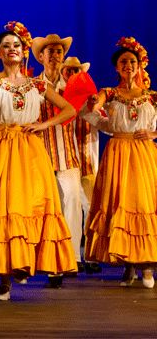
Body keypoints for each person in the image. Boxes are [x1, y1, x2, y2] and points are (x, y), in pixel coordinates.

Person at [0, 21, 78, 301]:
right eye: (5, 46)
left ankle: (24, 263)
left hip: (29, 149)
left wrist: (45, 126)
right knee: (0, 207)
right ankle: (4, 279)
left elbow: (69, 109)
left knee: (28, 206)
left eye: (16, 45)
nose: (11, 49)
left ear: (24, 53)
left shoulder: (37, 84)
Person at [82, 36, 157, 289]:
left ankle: (147, 264)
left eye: (132, 61)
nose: (128, 65)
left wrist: (154, 134)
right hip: (118, 152)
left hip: (144, 153)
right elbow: (95, 109)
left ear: (139, 66)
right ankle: (129, 265)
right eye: (123, 61)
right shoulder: (110, 93)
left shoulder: (151, 96)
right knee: (120, 203)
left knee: (143, 204)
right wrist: (95, 102)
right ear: (117, 67)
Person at [31, 33, 84, 286]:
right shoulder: (31, 84)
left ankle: (70, 258)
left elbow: (89, 116)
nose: (55, 56)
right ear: (40, 56)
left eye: (59, 52)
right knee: (39, 207)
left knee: (72, 201)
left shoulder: (73, 86)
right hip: (39, 155)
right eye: (50, 51)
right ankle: (37, 257)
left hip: (67, 153)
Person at [61, 56, 102, 274]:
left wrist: (93, 107)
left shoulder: (90, 97)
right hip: (65, 160)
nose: (72, 74)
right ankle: (72, 256)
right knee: (69, 207)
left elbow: (104, 123)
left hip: (87, 163)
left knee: (91, 208)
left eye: (76, 70)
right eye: (68, 71)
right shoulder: (59, 95)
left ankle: (91, 254)